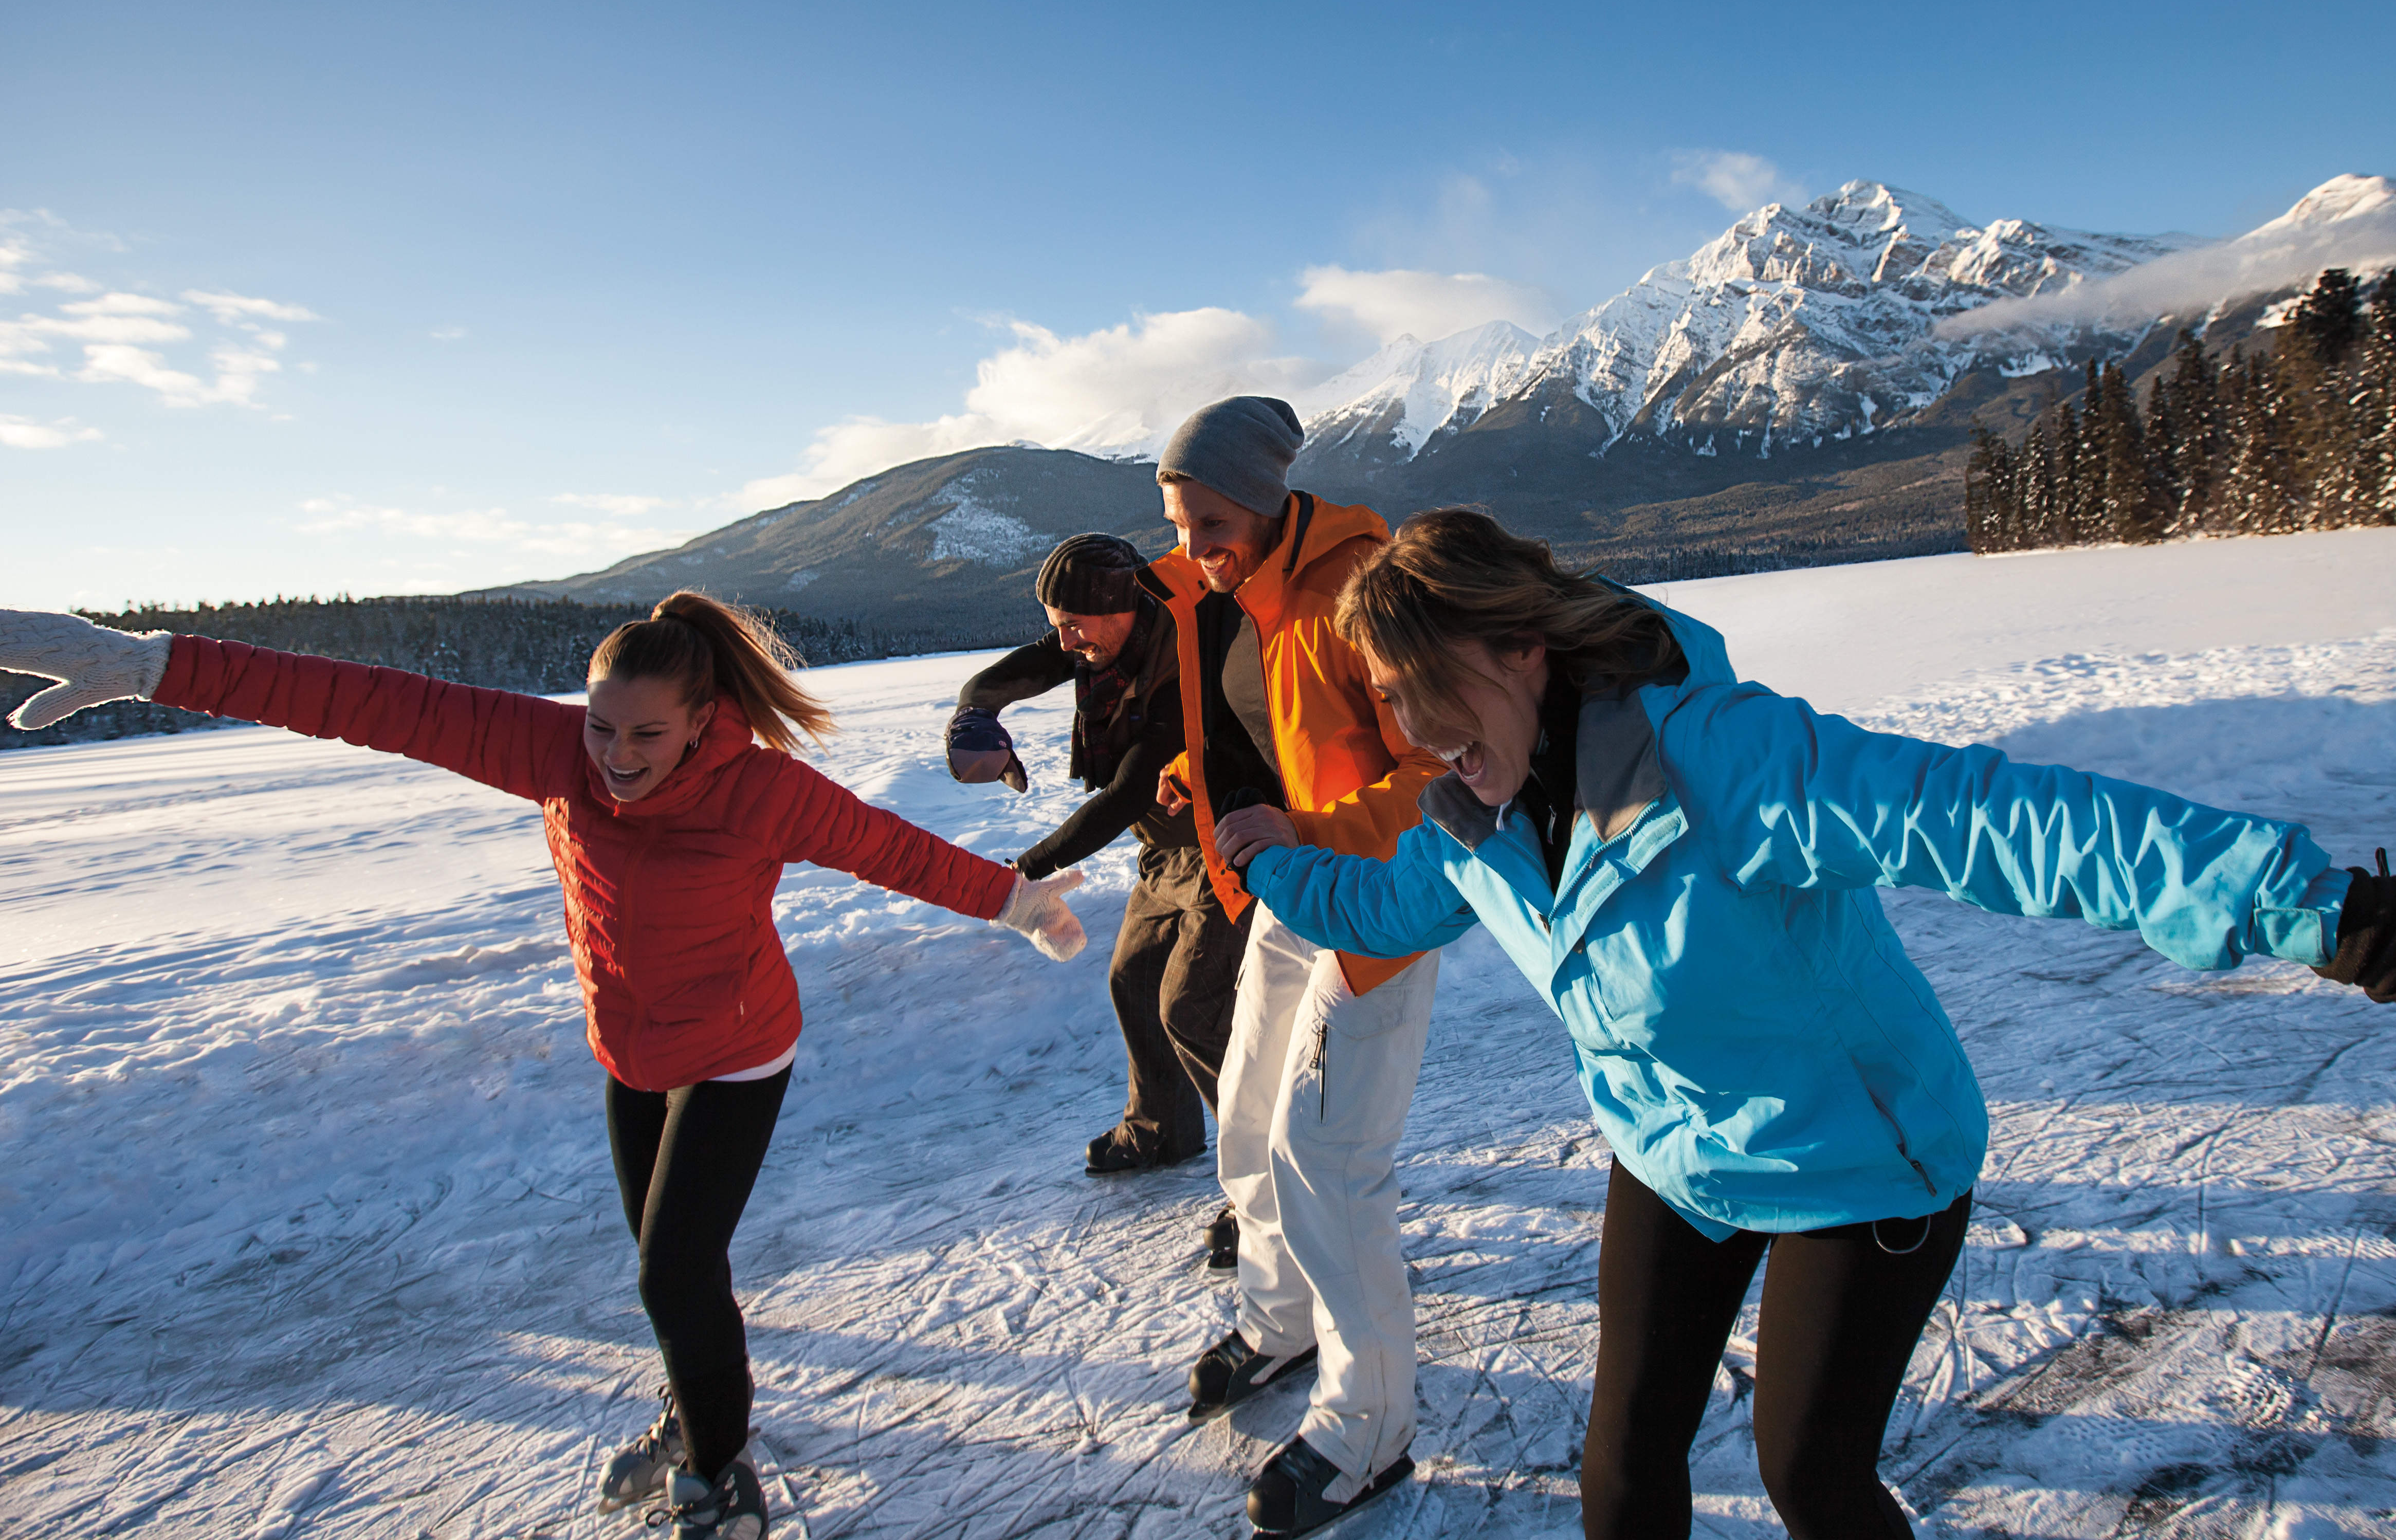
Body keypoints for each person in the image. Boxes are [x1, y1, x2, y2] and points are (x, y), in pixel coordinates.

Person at [1214, 508, 2396, 1540]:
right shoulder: (1474, 822)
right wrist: (1261, 848)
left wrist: (2335, 917)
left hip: (1869, 1170)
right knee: (1621, 1482)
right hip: (1676, 1159)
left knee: (1811, 1480)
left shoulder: (1730, 761)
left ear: (1522, 648)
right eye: (1388, 705)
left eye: (1425, 692)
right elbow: (1385, 911)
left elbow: (2005, 824)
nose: (1412, 735)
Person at [0, 595, 1090, 1540]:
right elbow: (364, 699)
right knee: (671, 1270)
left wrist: (1020, 901)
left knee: (673, 1271)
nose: (615, 756)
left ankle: (721, 1470)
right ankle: (693, 1401)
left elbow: (889, 849)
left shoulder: (761, 790)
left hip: (740, 1053)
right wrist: (151, 663)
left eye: (645, 736)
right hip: (631, 1049)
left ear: (703, 721)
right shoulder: (551, 750)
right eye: (602, 727)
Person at [1142, 396, 1447, 1537]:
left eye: (1209, 523)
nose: (1190, 549)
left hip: (1375, 910)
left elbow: (1443, 773)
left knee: (1328, 1161)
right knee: (1245, 1123)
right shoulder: (1248, 594)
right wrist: (1200, 773)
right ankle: (1280, 1322)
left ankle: (1369, 1427)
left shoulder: (1364, 591)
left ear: (1268, 506)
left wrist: (1306, 835)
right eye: (1177, 524)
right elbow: (1280, 728)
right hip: (1293, 888)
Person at [947, 533, 1249, 1222]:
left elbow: (1127, 795)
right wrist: (974, 720)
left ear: (1117, 608)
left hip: (1223, 847)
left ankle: (1267, 1179)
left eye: (1073, 625)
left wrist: (1023, 871)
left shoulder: (1183, 663)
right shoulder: (1103, 642)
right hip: (1166, 854)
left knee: (1191, 1009)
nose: (1065, 642)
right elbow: (997, 681)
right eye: (1056, 627)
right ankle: (1163, 1129)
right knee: (1133, 981)